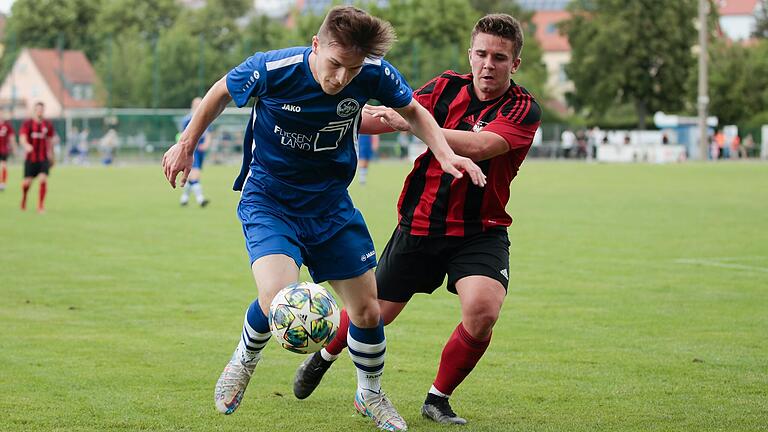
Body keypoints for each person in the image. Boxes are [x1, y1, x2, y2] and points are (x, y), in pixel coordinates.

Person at [161, 6, 486, 431]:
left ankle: (369, 394)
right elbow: (220, 91)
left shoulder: (371, 72)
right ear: (316, 46)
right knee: (278, 296)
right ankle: (244, 359)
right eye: (334, 65)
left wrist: (444, 153)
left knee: (368, 311)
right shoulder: (273, 68)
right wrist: (187, 142)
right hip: (270, 201)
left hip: (331, 205)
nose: (341, 78)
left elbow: (414, 111)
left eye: (351, 70)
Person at [293, 13, 541, 425]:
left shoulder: (522, 108)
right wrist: (328, 115)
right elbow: (385, 118)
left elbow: (481, 145)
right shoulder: (446, 86)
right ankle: (325, 355)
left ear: (514, 63)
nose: (487, 64)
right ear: (470, 54)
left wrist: (412, 125)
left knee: (482, 311)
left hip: (481, 230)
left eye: (499, 57)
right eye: (481, 54)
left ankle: (437, 399)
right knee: (370, 313)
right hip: (421, 225)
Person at [20, 102, 57, 213]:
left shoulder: (48, 125)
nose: (40, 111)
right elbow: (22, 137)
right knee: (27, 183)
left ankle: (40, 206)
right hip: (30, 159)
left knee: (43, 179)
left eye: (41, 109)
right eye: (38, 109)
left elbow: (50, 141)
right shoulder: (28, 124)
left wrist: (52, 155)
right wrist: (26, 145)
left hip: (43, 158)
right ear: (34, 110)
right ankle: (24, 198)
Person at [179, 97, 211, 207]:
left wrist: (206, 143)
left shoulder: (206, 117)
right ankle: (200, 199)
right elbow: (183, 135)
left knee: (192, 175)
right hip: (193, 150)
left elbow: (208, 133)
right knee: (195, 174)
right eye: (196, 104)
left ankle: (184, 198)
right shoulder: (187, 119)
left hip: (201, 150)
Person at [0, 109, 16, 191]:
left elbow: (12, 138)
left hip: (3, 150)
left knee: (3, 165)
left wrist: (14, 149)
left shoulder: (7, 125)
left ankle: (3, 183)